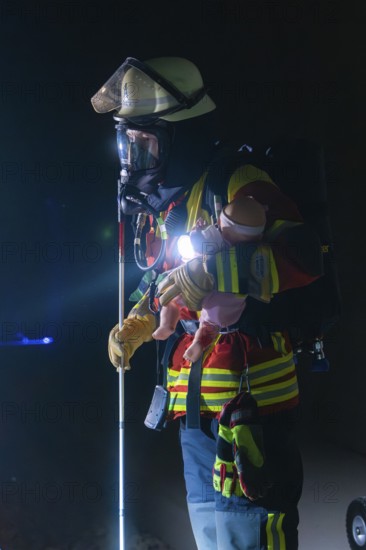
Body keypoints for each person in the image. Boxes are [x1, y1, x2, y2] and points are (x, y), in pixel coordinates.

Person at [91, 56, 322, 549]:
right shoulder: (169, 205)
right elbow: (167, 282)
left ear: (183, 136)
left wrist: (216, 270)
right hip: (193, 412)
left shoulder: (236, 181)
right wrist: (140, 319)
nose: (134, 158)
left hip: (250, 410)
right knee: (214, 539)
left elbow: (303, 255)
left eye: (145, 143)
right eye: (126, 143)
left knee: (252, 536)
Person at [152, 195, 266, 363]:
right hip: (228, 302)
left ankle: (167, 323)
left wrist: (196, 232)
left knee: (172, 296)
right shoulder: (256, 251)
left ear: (222, 224)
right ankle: (199, 342)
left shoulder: (218, 238)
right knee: (210, 326)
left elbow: (198, 244)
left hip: (198, 284)